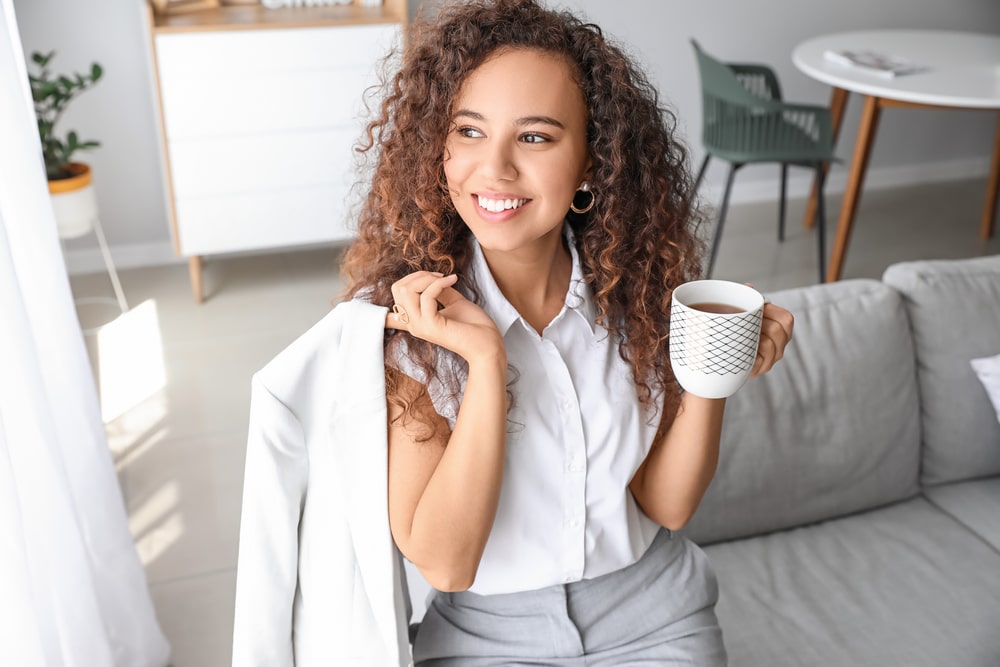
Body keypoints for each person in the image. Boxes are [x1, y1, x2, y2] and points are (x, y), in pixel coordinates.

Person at [340, 0, 794, 664]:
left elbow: (666, 506)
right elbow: (446, 561)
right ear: (437, 146)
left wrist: (711, 370)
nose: (493, 168)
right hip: (486, 635)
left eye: (534, 136)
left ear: (590, 163)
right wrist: (487, 363)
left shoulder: (640, 295)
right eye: (468, 131)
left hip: (655, 612)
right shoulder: (404, 328)